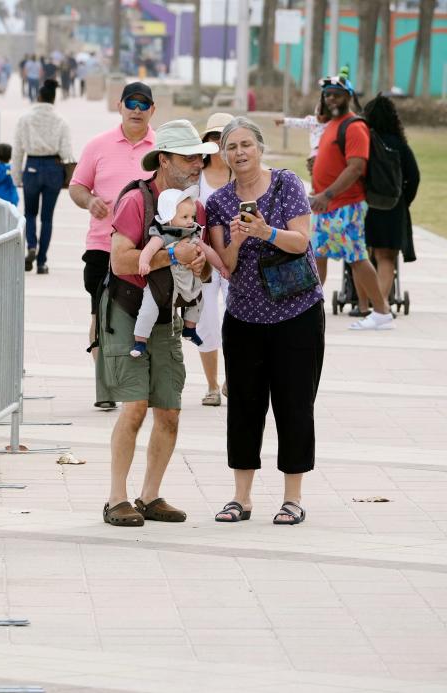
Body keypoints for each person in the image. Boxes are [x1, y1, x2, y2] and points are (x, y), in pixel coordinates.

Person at [95, 119, 215, 527]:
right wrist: (173, 256)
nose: (198, 164)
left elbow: (202, 271)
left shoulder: (196, 208)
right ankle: (115, 499)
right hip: (128, 311)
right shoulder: (136, 201)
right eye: (189, 157)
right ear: (163, 159)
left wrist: (199, 266)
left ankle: (149, 496)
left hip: (169, 315)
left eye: (200, 157)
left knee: (169, 411)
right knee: (135, 407)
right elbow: (121, 261)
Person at [207, 117, 325, 526]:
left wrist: (265, 230)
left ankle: (292, 499)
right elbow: (225, 265)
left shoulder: (286, 184)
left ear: (259, 147)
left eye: (246, 145)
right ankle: (241, 498)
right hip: (244, 317)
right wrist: (239, 237)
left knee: (294, 404)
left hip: (297, 312)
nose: (239, 153)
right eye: (231, 147)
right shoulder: (219, 202)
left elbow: (301, 240)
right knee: (243, 407)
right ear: (223, 155)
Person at [69, 81, 158, 410]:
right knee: (102, 313)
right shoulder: (98, 145)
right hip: (102, 247)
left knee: (143, 316)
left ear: (152, 110)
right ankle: (105, 384)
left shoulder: (160, 148)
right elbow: (77, 187)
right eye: (130, 103)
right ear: (120, 106)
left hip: (146, 251)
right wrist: (89, 201)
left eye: (143, 104)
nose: (136, 110)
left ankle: (139, 383)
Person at [310, 73, 394, 330]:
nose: (330, 98)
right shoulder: (333, 124)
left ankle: (381, 312)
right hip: (326, 207)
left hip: (345, 205)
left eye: (336, 94)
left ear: (348, 96)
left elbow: (356, 167)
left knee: (356, 257)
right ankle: (308, 309)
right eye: (327, 94)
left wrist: (327, 194)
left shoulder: (354, 125)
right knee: (316, 256)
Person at [130, 186, 227, 356]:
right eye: (185, 217)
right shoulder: (163, 234)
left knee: (198, 301)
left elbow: (209, 251)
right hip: (161, 283)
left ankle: (190, 329)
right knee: (148, 309)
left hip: (186, 281)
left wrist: (222, 267)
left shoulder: (193, 233)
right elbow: (150, 250)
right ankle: (140, 340)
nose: (191, 220)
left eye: (192, 216)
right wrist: (144, 262)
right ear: (168, 217)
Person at [359, 93, 420, 312]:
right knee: (387, 258)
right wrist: (404, 201)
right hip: (394, 207)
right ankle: (381, 305)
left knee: (364, 256)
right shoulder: (400, 146)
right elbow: (414, 176)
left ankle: (364, 304)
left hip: (367, 205)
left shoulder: (366, 143)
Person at [11, 79, 72, 275]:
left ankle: (31, 245)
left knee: (30, 213)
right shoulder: (61, 121)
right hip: (54, 168)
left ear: (38, 97)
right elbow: (67, 153)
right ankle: (42, 262)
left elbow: (18, 150)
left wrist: (16, 176)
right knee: (47, 218)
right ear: (54, 99)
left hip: (32, 167)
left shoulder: (25, 119)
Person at [196, 112, 234, 406]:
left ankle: (231, 379)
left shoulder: (244, 176)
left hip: (237, 261)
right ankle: (211, 385)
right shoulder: (195, 176)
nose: (219, 143)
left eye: (225, 138)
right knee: (207, 321)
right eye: (213, 137)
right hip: (205, 261)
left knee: (238, 320)